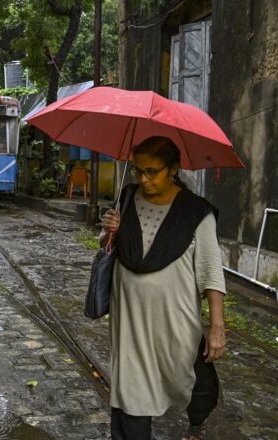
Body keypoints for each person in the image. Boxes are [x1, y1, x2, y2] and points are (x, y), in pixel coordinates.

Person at [99, 136, 226, 440]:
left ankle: (197, 418)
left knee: (185, 381)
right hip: (129, 318)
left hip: (175, 321)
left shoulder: (197, 212)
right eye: (138, 171)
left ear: (173, 169)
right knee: (131, 391)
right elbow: (107, 248)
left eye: (151, 171)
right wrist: (109, 232)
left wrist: (217, 326)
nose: (143, 179)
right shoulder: (127, 199)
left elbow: (211, 270)